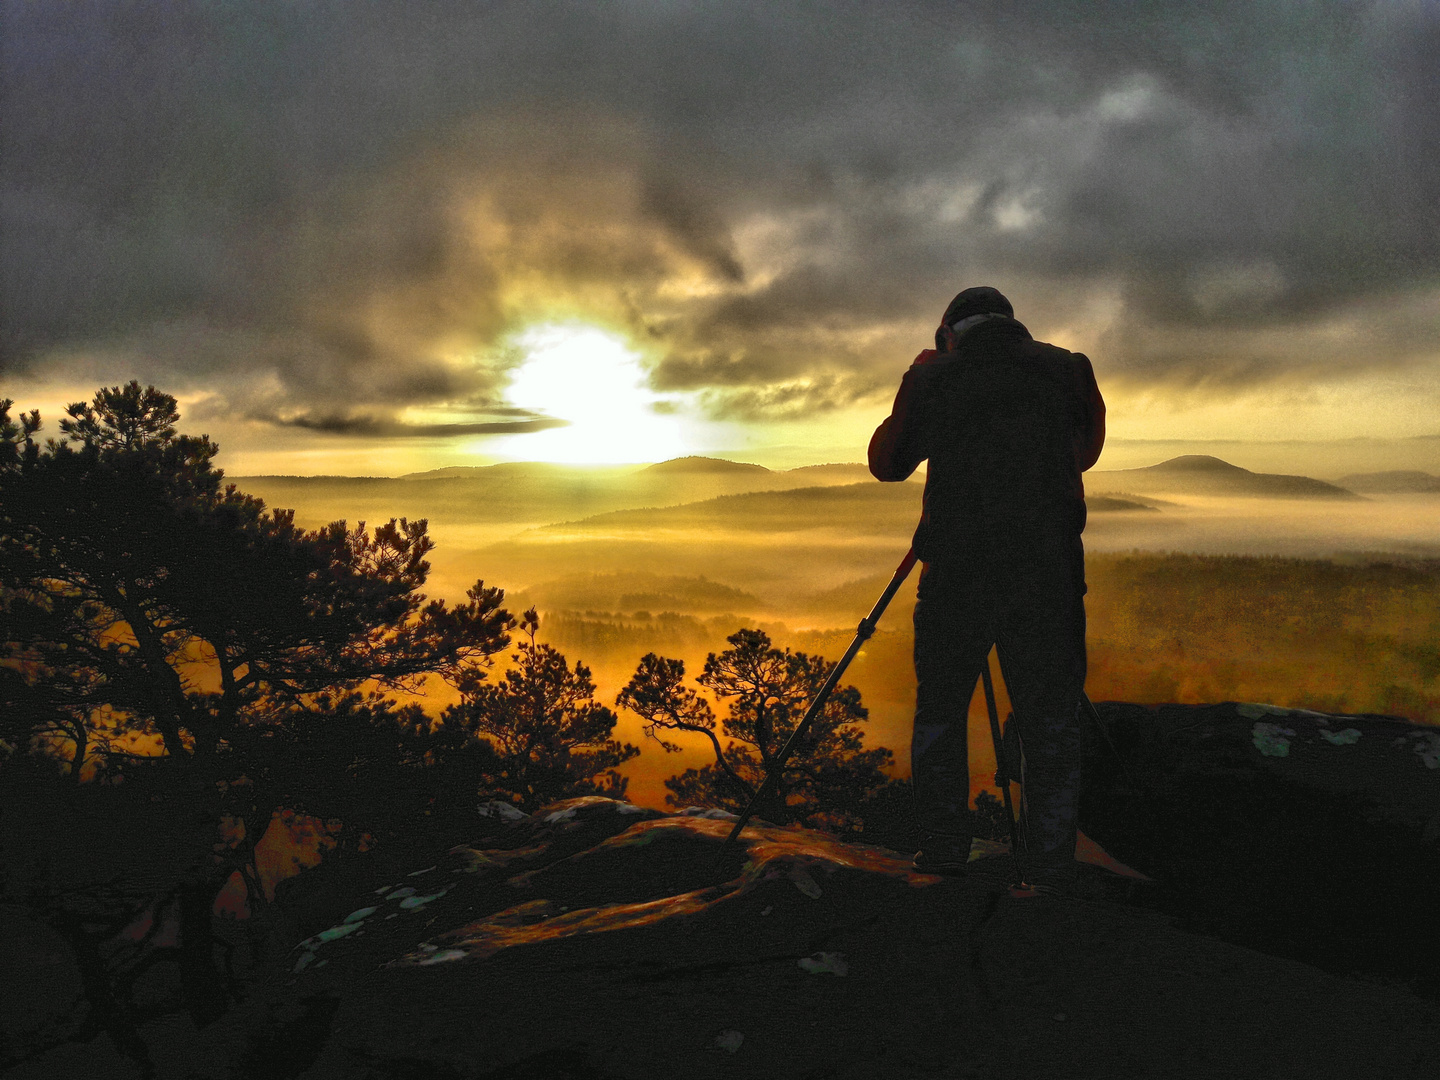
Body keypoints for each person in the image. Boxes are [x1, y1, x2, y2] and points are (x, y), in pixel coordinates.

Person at [868, 286, 1105, 889]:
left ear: (949, 330)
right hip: (1048, 576)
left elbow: (887, 461)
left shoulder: (936, 376)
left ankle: (944, 850)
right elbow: (1086, 453)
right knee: (1050, 723)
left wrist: (920, 376)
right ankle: (1050, 865)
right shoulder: (1068, 369)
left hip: (956, 576)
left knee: (943, 713)